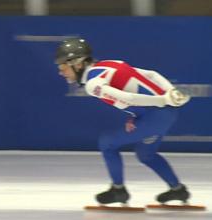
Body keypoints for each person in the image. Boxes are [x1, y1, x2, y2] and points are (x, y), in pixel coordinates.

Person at [55, 37, 191, 205]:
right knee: (145, 154)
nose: (61, 72)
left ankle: (118, 190)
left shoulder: (93, 84)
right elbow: (151, 75)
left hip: (155, 115)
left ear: (78, 64)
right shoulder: (110, 63)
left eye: (63, 67)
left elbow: (128, 97)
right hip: (163, 114)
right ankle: (178, 190)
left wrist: (164, 99)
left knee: (107, 143)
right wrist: (171, 92)